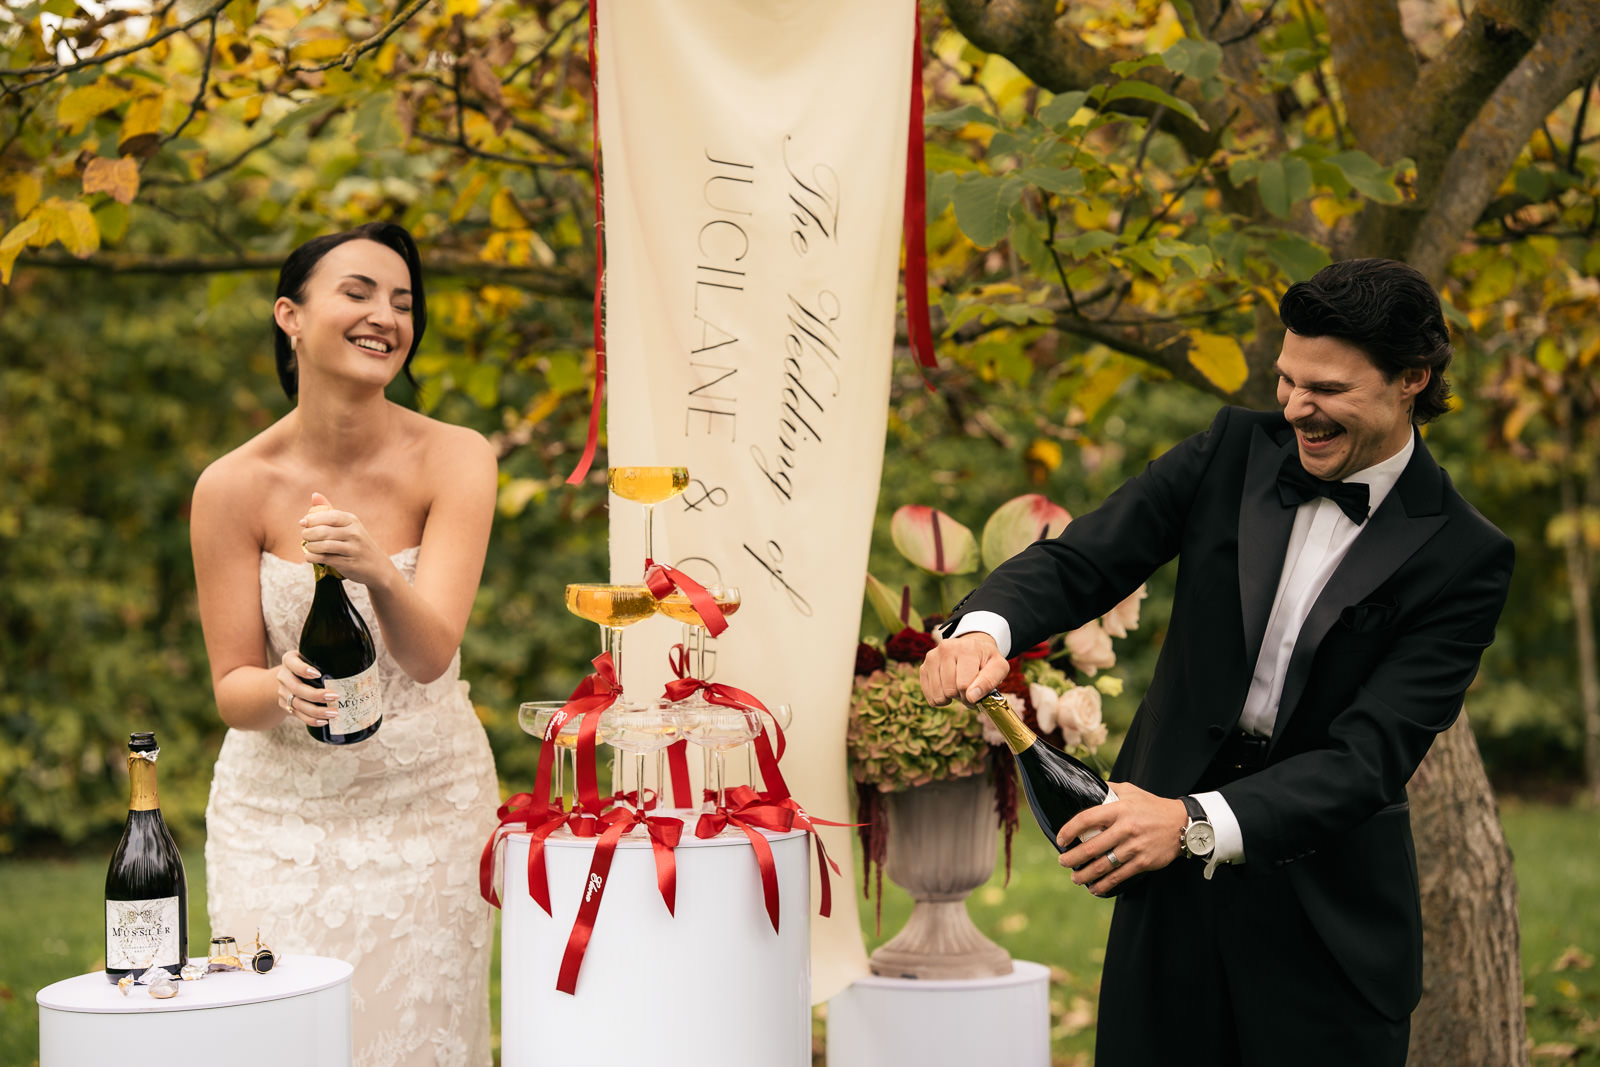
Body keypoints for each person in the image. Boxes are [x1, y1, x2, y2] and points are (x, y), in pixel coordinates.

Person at [920, 258, 1513, 1066]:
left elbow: (1369, 758)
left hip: (1327, 920)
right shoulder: (1232, 449)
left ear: (1412, 378)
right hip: (1164, 892)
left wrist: (1192, 822)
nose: (1297, 406)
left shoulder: (1466, 554)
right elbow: (1084, 558)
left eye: (1328, 388)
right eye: (1287, 379)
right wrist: (984, 630)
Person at [191, 222, 500, 1067]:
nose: (385, 317)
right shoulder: (231, 486)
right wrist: (280, 689)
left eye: (402, 301)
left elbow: (431, 657)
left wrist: (378, 570)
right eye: (358, 292)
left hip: (428, 810)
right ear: (290, 316)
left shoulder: (458, 458)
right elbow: (232, 688)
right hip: (277, 820)